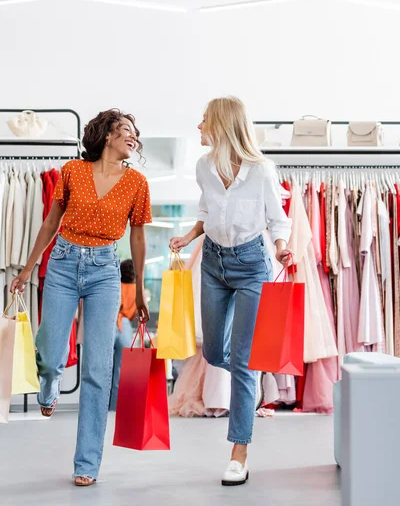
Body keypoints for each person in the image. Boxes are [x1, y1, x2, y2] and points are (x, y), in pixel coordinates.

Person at [11, 109, 152, 486]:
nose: (133, 137)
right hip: (62, 262)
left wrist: (137, 291)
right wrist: (27, 269)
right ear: (107, 135)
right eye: (126, 130)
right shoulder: (73, 170)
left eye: (135, 134)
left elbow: (137, 237)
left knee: (97, 368)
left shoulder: (137, 182)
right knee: (52, 352)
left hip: (105, 271)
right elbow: (50, 221)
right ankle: (50, 382)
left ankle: (87, 462)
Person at [170, 96, 292, 487]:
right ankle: (248, 381)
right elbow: (206, 212)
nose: (199, 126)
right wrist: (188, 236)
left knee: (242, 361)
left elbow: (278, 218)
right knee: (211, 351)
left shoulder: (261, 170)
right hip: (212, 264)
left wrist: (281, 246)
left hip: (252, 264)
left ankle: (238, 452)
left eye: (204, 120)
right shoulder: (204, 166)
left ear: (221, 125)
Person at [109, 259, 137, 412]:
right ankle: (115, 407)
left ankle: (100, 406)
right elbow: (134, 313)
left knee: (104, 367)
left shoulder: (114, 286)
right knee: (121, 370)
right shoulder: (136, 289)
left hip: (109, 323)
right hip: (125, 326)